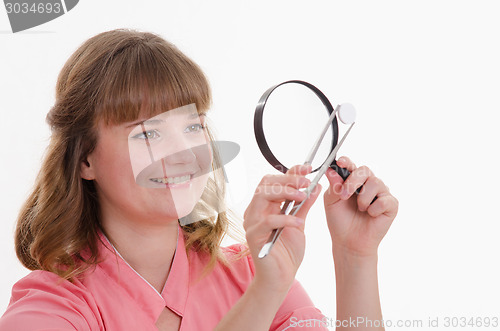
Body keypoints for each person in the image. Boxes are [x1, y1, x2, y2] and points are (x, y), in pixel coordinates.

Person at [0, 29, 398, 331]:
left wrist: (355, 257)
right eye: (147, 134)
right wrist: (264, 293)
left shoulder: (251, 272)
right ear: (85, 159)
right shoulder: (52, 307)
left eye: (193, 127)